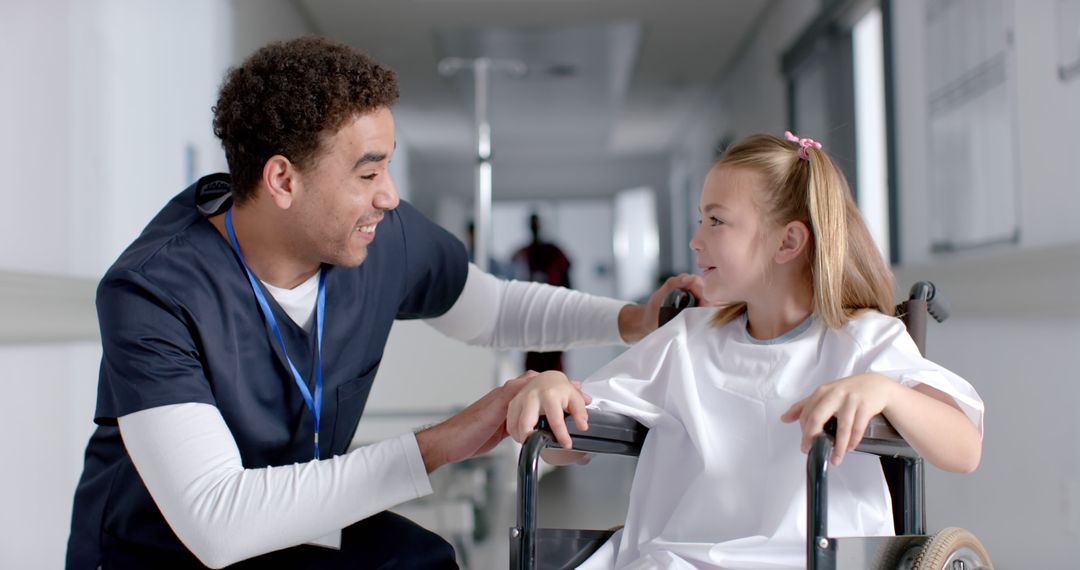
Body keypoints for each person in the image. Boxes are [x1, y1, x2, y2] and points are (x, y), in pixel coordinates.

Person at [65, 36, 704, 569]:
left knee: (418, 561)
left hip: (293, 525)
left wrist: (631, 320)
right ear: (283, 179)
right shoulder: (153, 292)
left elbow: (492, 307)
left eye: (388, 168)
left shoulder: (379, 239)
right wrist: (444, 443)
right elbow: (216, 521)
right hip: (159, 550)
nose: (391, 196)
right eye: (367, 174)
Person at [506, 132, 984, 569]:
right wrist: (552, 390)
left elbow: (964, 449)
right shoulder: (685, 342)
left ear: (788, 241)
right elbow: (565, 449)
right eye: (701, 220)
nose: (696, 239)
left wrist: (885, 392)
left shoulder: (863, 341)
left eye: (717, 221)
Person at [510, 212, 574, 372]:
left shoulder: (554, 253)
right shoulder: (523, 254)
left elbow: (567, 283)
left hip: (554, 314)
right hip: (532, 316)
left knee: (553, 362)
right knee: (533, 363)